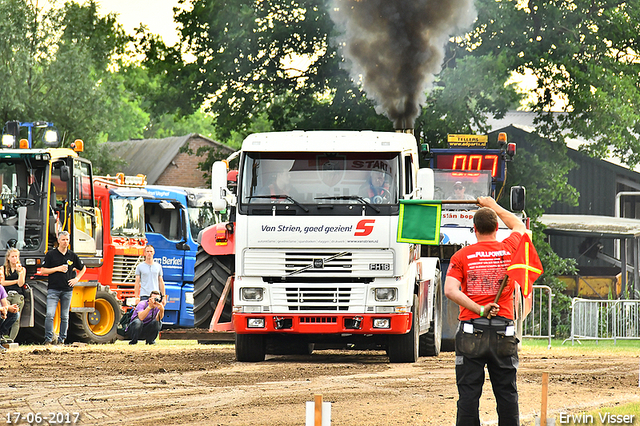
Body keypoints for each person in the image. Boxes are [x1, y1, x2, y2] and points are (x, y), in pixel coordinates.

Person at [443, 196, 526, 426]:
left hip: (472, 331)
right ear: (497, 228)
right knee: (507, 393)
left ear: (474, 229)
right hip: (504, 333)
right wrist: (492, 205)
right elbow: (519, 225)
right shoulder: (510, 248)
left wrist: (479, 309)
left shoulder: (462, 256)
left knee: (468, 394)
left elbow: (450, 290)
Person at [40, 230, 86, 345]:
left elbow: (83, 268)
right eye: (63, 240)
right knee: (50, 314)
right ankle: (48, 339)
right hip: (53, 289)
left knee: (65, 316)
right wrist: (57, 269)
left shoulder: (72, 255)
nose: (65, 242)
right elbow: (43, 270)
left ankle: (62, 339)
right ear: (58, 240)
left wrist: (76, 279)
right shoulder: (51, 254)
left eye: (67, 240)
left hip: (67, 290)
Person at [2, 248, 27, 341]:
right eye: (12, 256)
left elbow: (21, 284)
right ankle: (3, 335)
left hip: (17, 294)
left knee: (16, 317)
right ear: (8, 258)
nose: (14, 259)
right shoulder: (3, 268)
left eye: (16, 256)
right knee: (5, 312)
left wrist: (20, 273)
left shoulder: (22, 269)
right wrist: (15, 281)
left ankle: (11, 339)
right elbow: (3, 283)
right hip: (6, 294)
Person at [0, 267, 19, 351]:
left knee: (15, 314)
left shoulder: (1, 288)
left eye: (1, 275)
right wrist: (2, 310)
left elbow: (4, 304)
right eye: (0, 275)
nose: (1, 277)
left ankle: (1, 335)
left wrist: (10, 308)